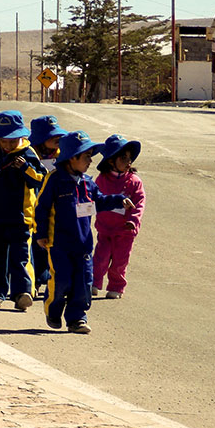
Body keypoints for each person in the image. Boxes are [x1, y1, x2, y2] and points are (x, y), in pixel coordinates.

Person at [34, 131, 134, 334]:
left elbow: (100, 200)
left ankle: (77, 318)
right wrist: (41, 233)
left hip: (83, 244)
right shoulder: (54, 180)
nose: (90, 161)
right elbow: (41, 207)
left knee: (83, 283)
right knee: (62, 281)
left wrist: (118, 199)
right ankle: (53, 309)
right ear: (73, 157)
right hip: (59, 244)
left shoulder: (88, 182)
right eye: (86, 156)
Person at [0, 110, 45, 310]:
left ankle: (22, 292)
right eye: (4, 140)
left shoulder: (28, 153)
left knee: (20, 257)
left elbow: (40, 178)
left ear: (21, 136)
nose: (8, 145)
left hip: (21, 217)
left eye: (12, 140)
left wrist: (24, 168)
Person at [92, 134, 145, 299]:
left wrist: (133, 221)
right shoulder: (101, 180)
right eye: (123, 157)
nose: (128, 161)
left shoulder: (134, 182)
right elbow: (93, 199)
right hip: (105, 228)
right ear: (110, 161)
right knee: (100, 258)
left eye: (130, 158)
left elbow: (139, 203)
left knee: (120, 262)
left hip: (124, 231)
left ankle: (116, 286)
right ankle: (93, 283)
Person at [28, 115, 68, 293]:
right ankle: (35, 280)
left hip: (57, 206)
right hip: (35, 205)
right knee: (37, 243)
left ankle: (52, 281)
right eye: (53, 137)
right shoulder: (30, 154)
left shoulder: (63, 155)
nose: (57, 139)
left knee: (54, 245)